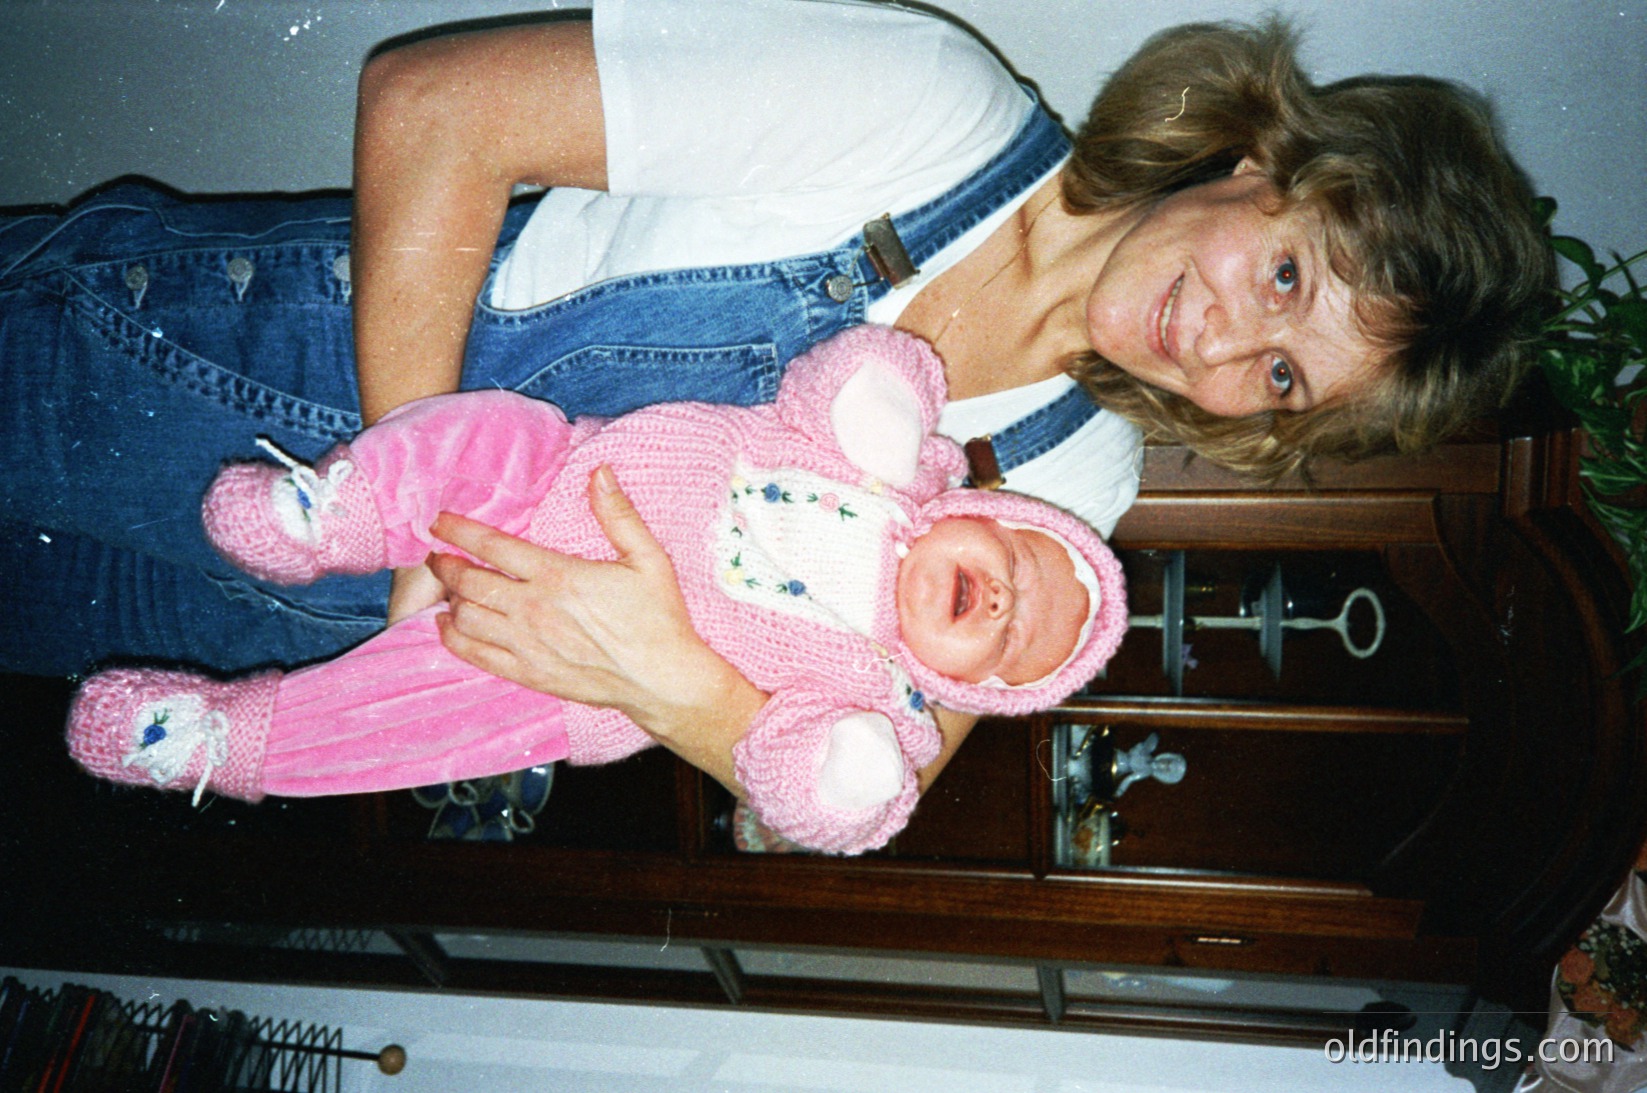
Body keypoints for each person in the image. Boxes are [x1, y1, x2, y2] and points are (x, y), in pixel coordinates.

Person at [1, 0, 1551, 805]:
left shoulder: (1067, 494)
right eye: (1282, 278)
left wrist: (669, 678)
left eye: (1280, 377)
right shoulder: (925, 108)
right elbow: (437, 106)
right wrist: (421, 535)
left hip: (280, 637)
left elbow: (859, 761)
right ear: (1255, 162)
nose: (1221, 348)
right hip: (205, 372)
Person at [64, 325, 1128, 854]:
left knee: (418, 725)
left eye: (1013, 642)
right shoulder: (885, 468)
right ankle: (331, 513)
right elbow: (845, 378)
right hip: (572, 471)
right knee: (479, 435)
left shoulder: (867, 696)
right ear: (986, 512)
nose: (1003, 605)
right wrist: (885, 398)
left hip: (558, 681)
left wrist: (847, 774)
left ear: (973, 696)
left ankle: (223, 737)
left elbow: (814, 790)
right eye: (1020, 570)